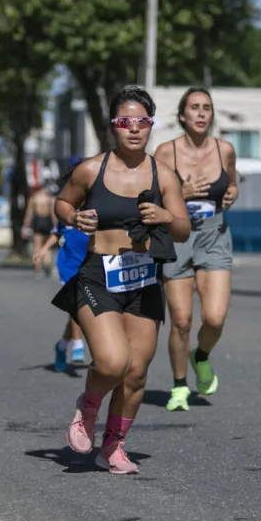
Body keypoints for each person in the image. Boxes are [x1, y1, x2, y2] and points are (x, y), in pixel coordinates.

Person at [51, 86, 190, 474]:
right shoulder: (90, 169)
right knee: (112, 363)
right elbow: (63, 202)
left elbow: (182, 228)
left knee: (137, 372)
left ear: (150, 125)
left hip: (144, 279)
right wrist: (73, 218)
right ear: (113, 125)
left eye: (142, 121)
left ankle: (113, 447)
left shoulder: (164, 175)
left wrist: (167, 218)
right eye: (125, 121)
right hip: (99, 276)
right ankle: (88, 406)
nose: (134, 128)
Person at [154, 87, 239, 412]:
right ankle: (179, 386)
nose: (202, 113)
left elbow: (232, 184)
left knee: (214, 318)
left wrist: (232, 193)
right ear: (182, 115)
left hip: (213, 233)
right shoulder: (165, 153)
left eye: (206, 107)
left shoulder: (224, 150)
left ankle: (200, 355)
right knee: (181, 320)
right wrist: (181, 192)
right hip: (177, 234)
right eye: (194, 107)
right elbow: (151, 197)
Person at [33, 159, 89, 371]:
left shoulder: (98, 205)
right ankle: (77, 345)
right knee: (77, 307)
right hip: (70, 264)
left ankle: (62, 345)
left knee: (82, 312)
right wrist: (43, 250)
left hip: (91, 264)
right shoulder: (67, 206)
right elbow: (57, 233)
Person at [22, 185, 56, 278]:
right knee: (47, 245)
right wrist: (55, 225)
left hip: (38, 221)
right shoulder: (49, 198)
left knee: (37, 246)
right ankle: (47, 264)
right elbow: (53, 213)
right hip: (47, 221)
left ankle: (37, 268)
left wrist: (25, 227)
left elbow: (29, 214)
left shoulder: (34, 198)